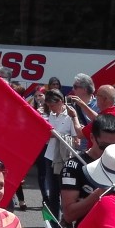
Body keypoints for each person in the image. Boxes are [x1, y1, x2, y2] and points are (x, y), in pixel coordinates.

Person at [61, 113, 115, 226]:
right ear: (92, 138)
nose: (110, 151)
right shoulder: (74, 166)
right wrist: (99, 193)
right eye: (104, 146)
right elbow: (68, 215)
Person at [42, 89, 82, 217]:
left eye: (52, 105)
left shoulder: (70, 115)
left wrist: (59, 136)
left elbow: (77, 139)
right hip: (50, 156)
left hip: (65, 158)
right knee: (53, 191)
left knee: (66, 191)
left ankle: (67, 219)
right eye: (48, 106)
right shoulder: (49, 115)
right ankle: (54, 221)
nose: (51, 108)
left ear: (60, 102)